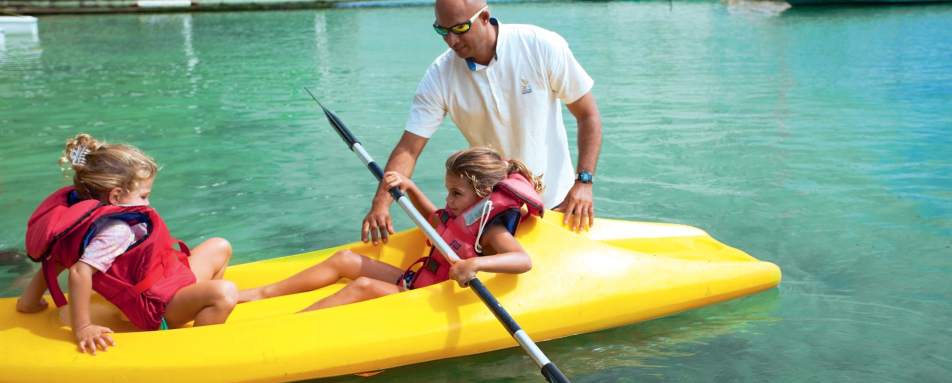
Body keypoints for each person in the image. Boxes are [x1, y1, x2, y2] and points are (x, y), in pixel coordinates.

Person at [362, 0, 603, 245]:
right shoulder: (439, 75)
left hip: (559, 205)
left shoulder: (541, 45)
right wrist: (381, 204)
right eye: (442, 31)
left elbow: (588, 115)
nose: (451, 41)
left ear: (485, 17)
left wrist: (583, 183)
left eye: (459, 29)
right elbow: (409, 148)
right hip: (492, 215)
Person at [239, 147, 542, 311]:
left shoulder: (491, 230)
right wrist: (409, 188)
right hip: (414, 280)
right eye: (448, 191)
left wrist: (475, 263)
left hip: (424, 298)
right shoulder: (465, 212)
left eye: (456, 194)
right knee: (345, 258)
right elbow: (437, 223)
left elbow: (522, 260)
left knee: (364, 286)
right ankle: (263, 294)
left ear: (485, 194)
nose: (449, 200)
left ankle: (295, 325)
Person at [16, 133, 238, 355]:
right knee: (224, 293)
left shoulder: (79, 220)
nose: (148, 203)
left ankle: (200, 304)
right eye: (143, 196)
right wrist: (82, 327)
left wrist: (29, 302)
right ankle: (196, 353)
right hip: (154, 307)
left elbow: (56, 259)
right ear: (115, 196)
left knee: (220, 246)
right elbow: (79, 272)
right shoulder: (117, 230)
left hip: (162, 281)